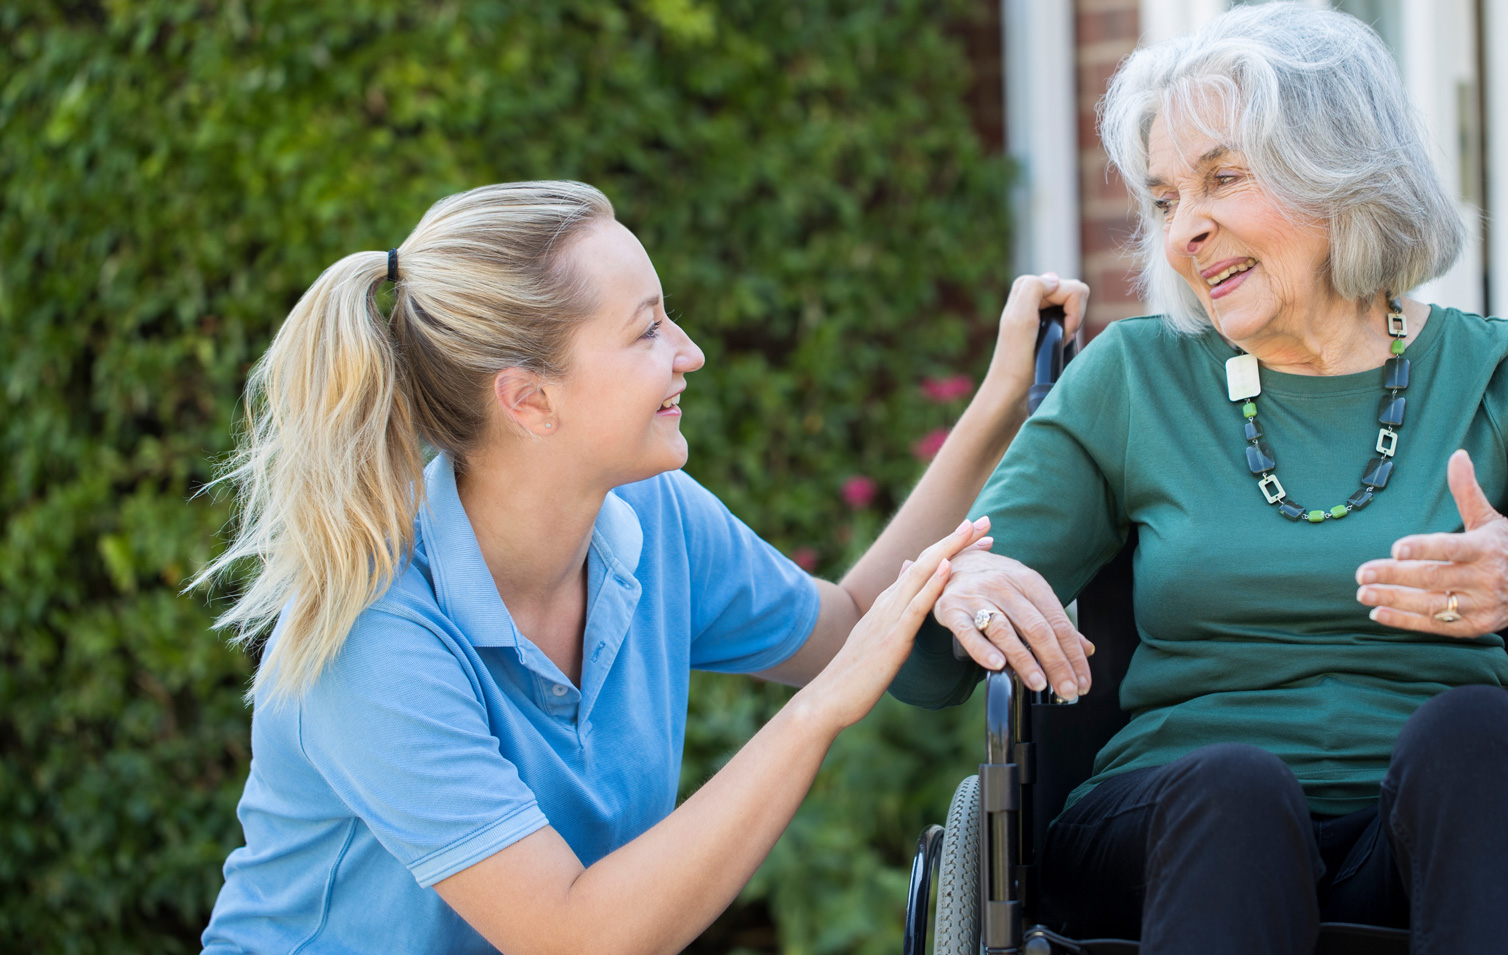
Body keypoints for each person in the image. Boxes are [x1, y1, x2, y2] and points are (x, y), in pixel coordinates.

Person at [889, 6, 1508, 953]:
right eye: (1167, 197)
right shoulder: (1133, 380)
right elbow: (925, 670)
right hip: (1176, 827)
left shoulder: (1498, 372)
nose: (1186, 232)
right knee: (1236, 790)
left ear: (1340, 171)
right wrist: (959, 591)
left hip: (1452, 828)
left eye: (1222, 177)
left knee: (1474, 734)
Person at [194, 180, 1088, 954]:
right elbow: (577, 936)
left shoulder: (648, 521)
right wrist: (820, 710)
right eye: (648, 328)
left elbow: (851, 624)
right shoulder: (373, 634)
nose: (688, 352)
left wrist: (1001, 398)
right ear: (529, 400)